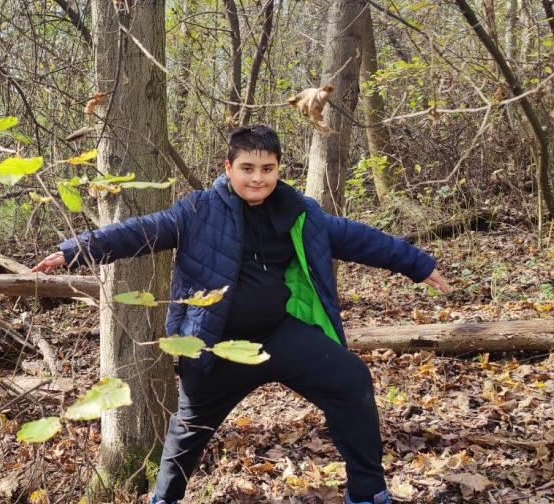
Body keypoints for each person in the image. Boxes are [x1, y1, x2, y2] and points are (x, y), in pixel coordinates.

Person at [31, 125, 450, 504]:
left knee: (351, 380)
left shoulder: (300, 212)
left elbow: (359, 238)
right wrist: (74, 251)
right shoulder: (198, 210)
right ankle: (164, 500)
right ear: (228, 167)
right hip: (216, 345)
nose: (257, 178)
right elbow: (140, 231)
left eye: (267, 168)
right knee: (189, 431)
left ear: (279, 169)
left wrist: (418, 264)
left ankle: (367, 491)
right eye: (247, 167)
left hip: (280, 337)